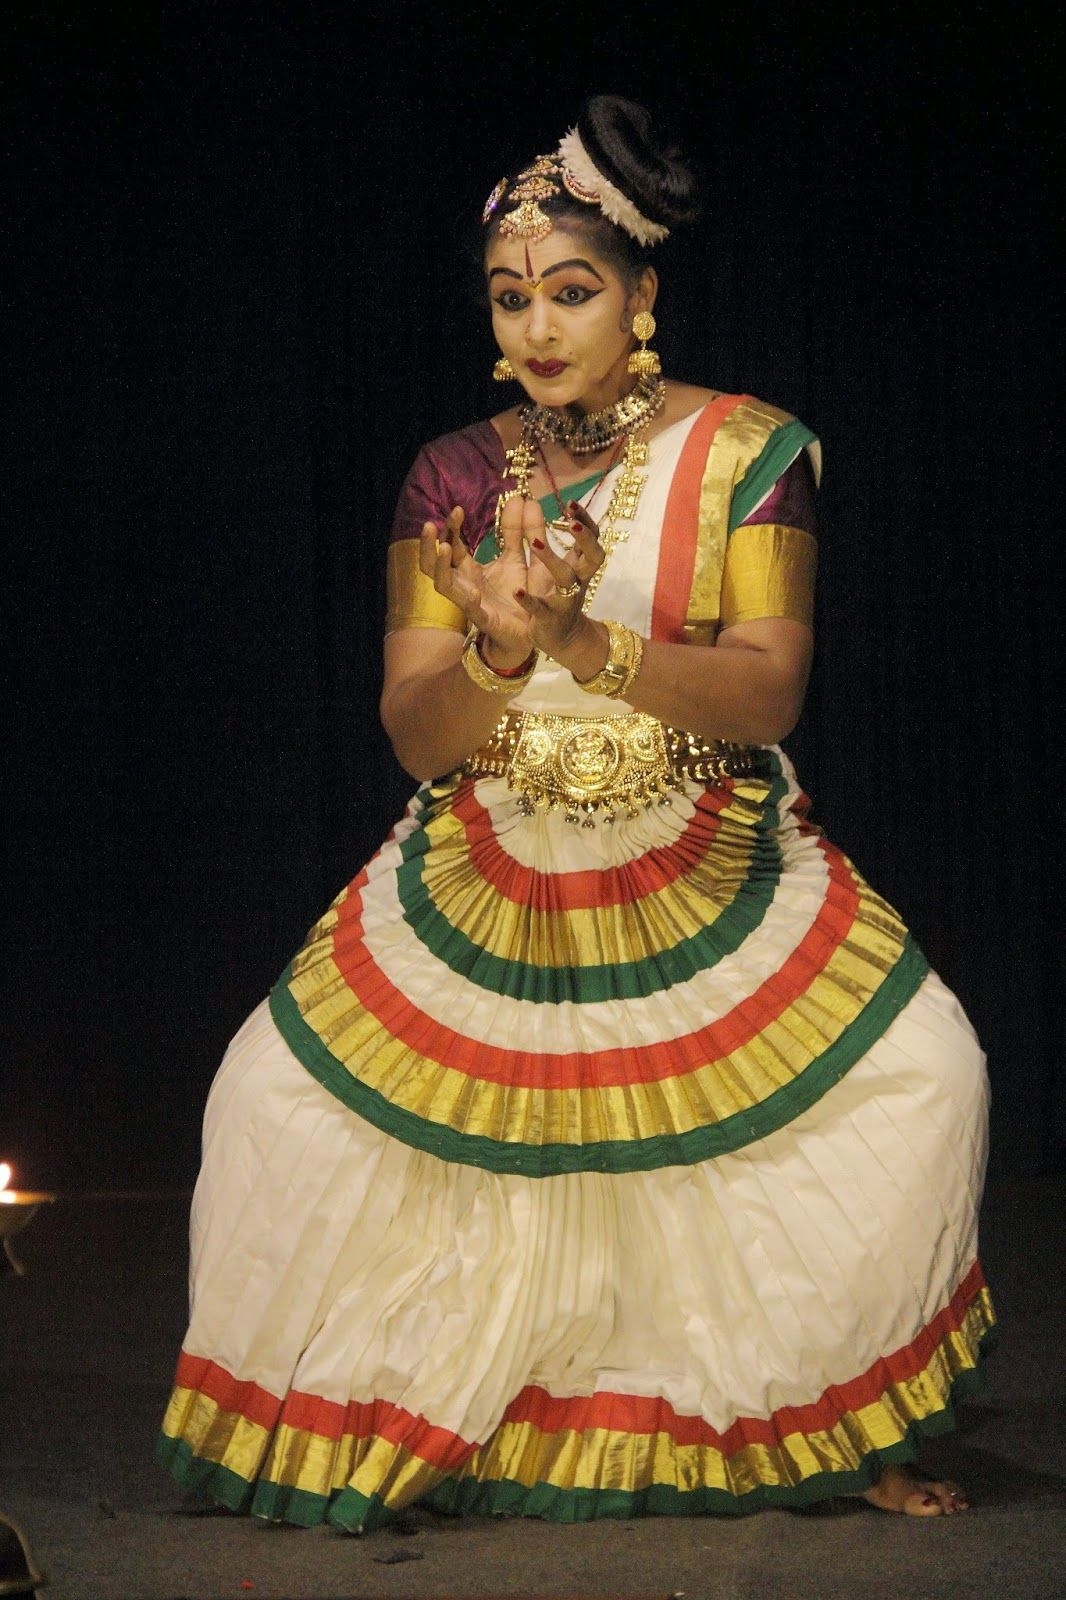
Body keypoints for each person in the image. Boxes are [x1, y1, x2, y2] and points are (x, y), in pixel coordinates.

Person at [157, 95, 994, 1530]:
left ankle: (826, 1425)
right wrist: (493, 652)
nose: (538, 324)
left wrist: (584, 644)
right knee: (274, 1106)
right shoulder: (455, 477)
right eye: (509, 295)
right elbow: (418, 737)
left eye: (572, 289)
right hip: (494, 862)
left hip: (705, 853)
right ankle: (453, 1412)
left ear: (641, 294)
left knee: (920, 1083)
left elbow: (768, 694)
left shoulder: (751, 453)